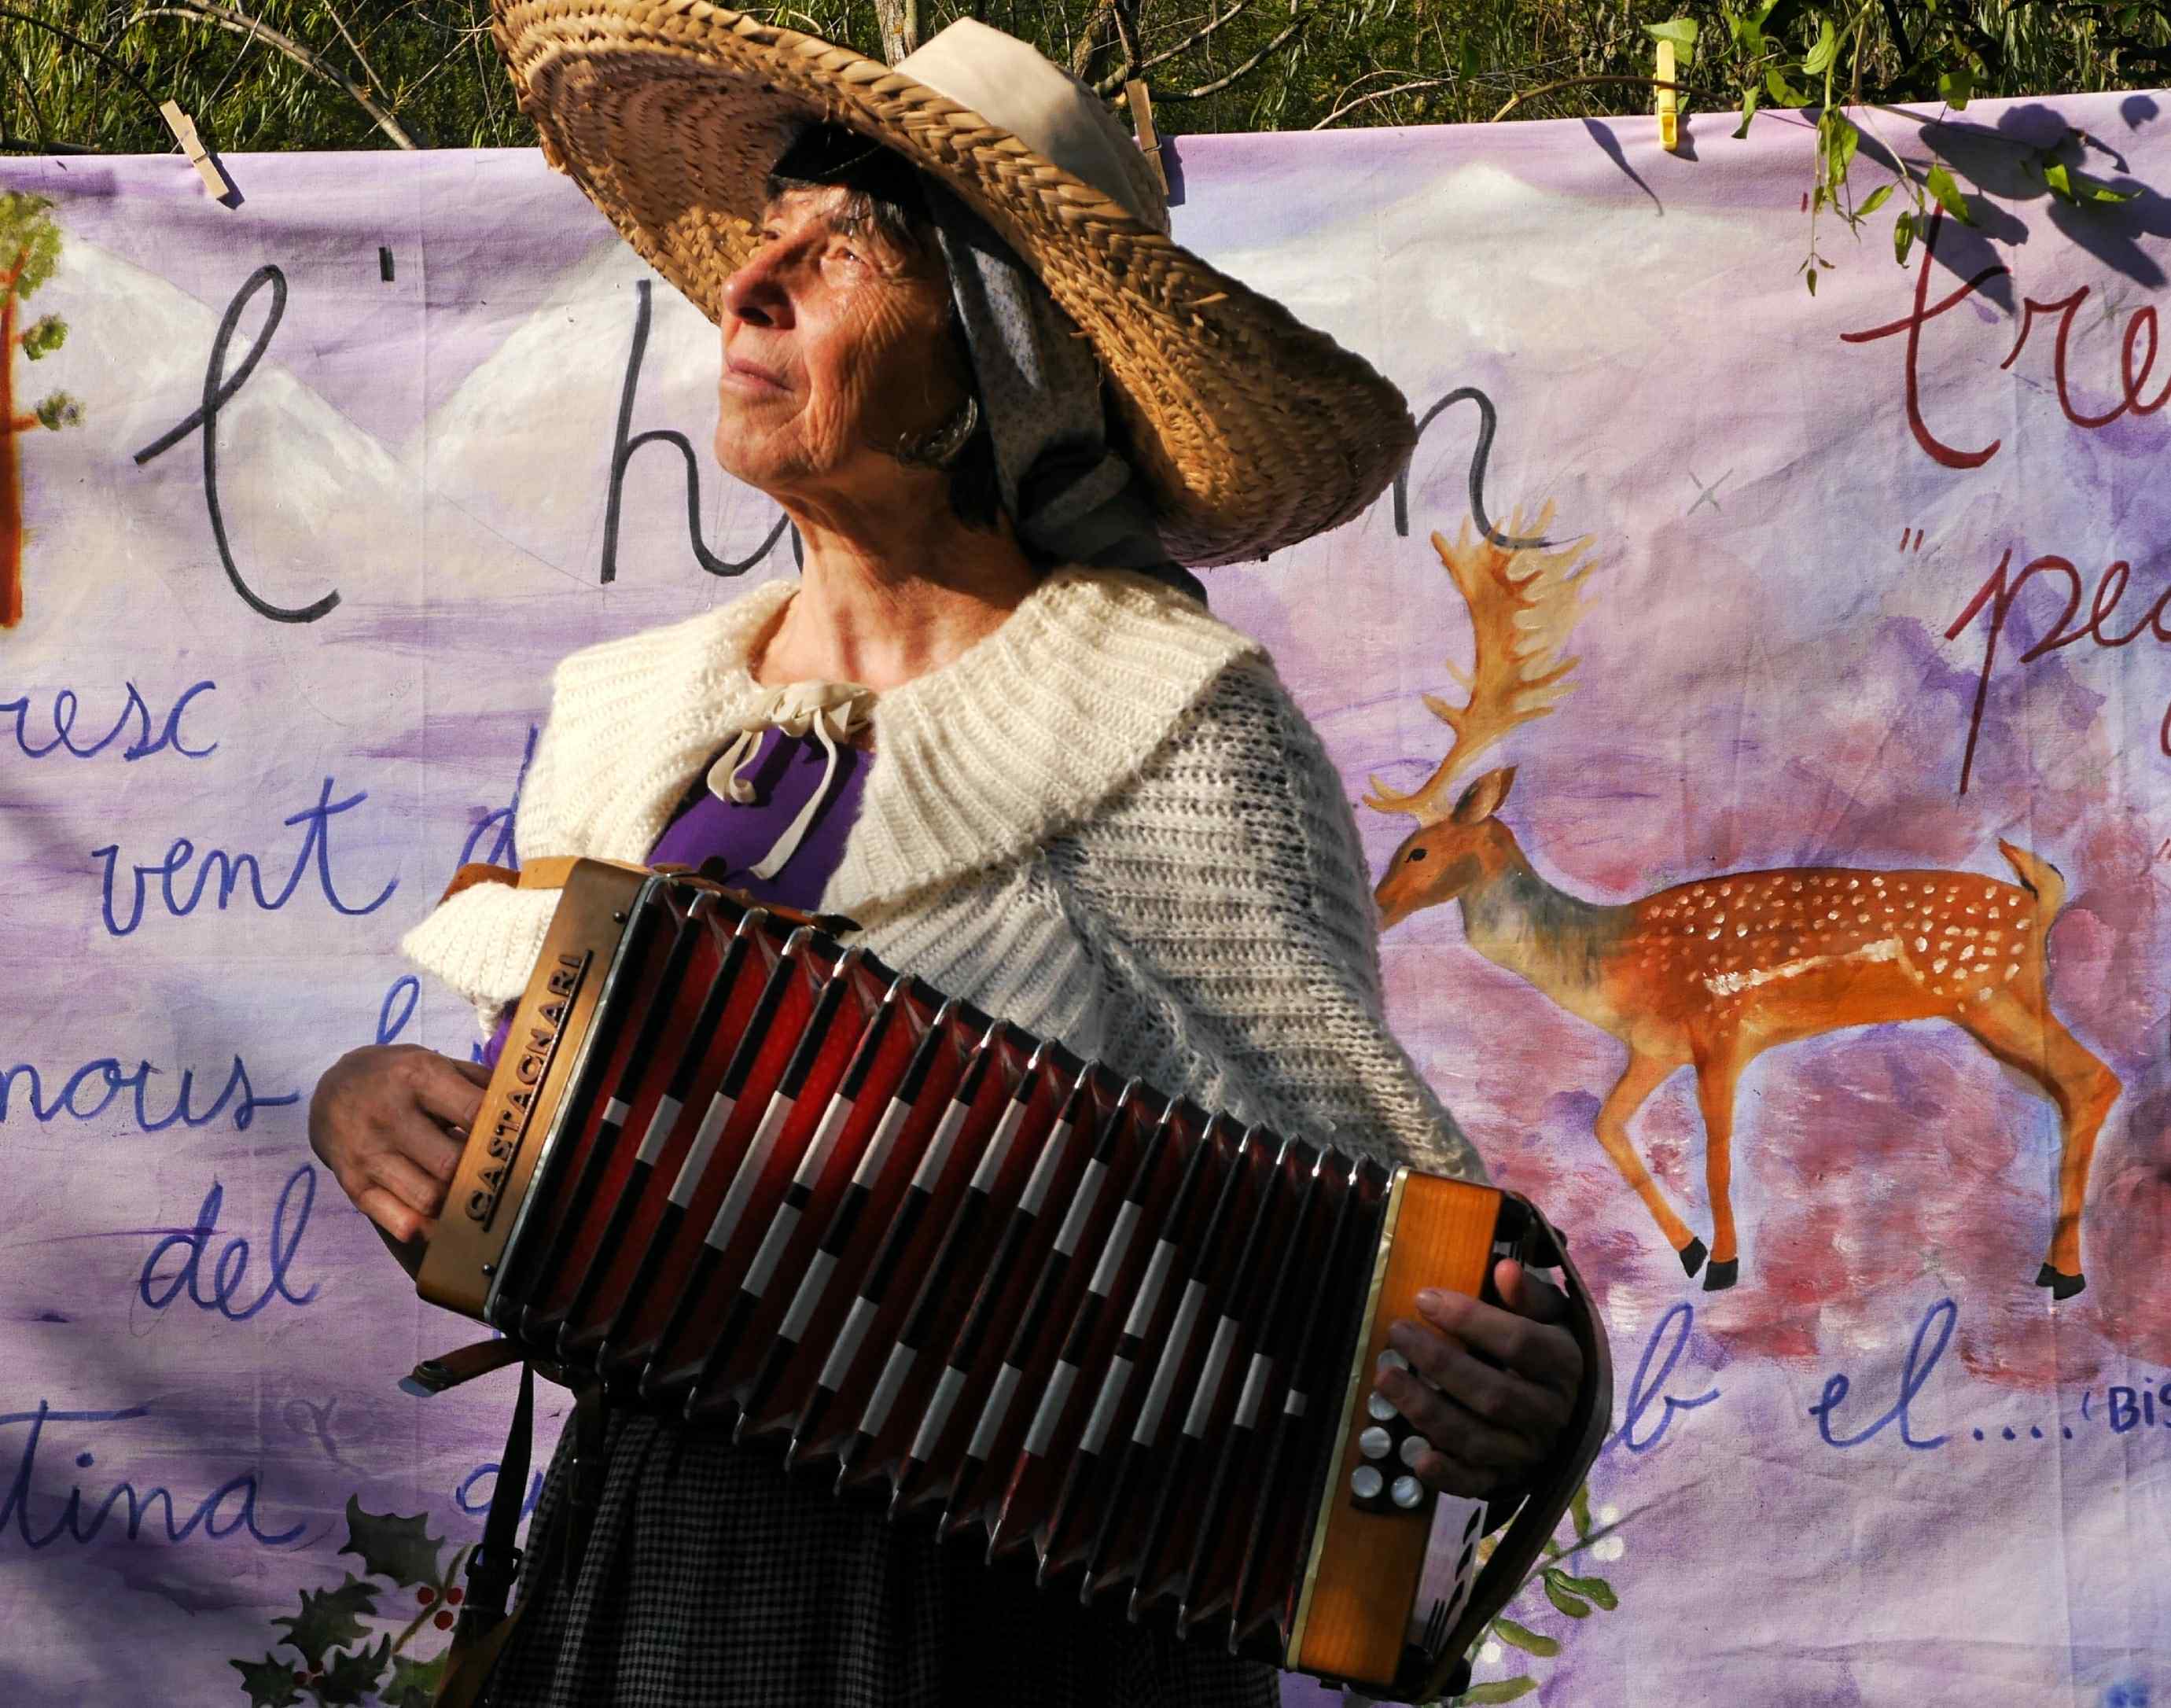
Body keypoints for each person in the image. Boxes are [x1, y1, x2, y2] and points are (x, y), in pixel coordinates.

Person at [307, 13, 1585, 1706]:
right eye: (762, 242)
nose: (752, 286)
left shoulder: (1175, 717)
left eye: (838, 254)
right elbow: (538, 1168)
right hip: (667, 1573)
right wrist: (371, 1112)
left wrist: (1524, 1388)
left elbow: (1388, 1228)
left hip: (1035, 1619)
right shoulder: (620, 723)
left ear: (996, 360)